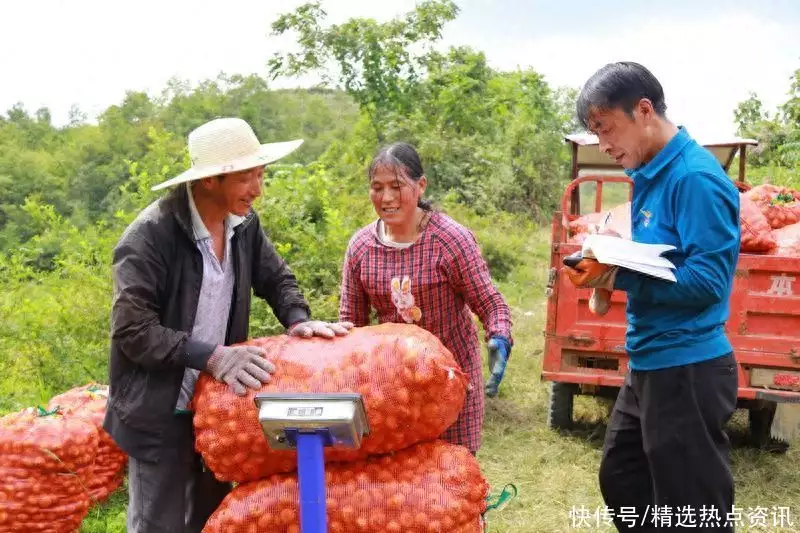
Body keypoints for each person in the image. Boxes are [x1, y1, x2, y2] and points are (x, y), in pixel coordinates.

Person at [104, 117, 352, 533]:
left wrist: (299, 320)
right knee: (158, 523)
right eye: (245, 177)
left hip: (213, 407)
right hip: (157, 408)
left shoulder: (243, 225)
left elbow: (276, 277)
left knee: (209, 518)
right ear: (209, 182)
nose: (257, 189)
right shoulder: (149, 238)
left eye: (260, 175)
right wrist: (214, 357)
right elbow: (132, 331)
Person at [564, 62, 740, 532]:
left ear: (643, 110)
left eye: (605, 128)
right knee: (623, 478)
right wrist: (604, 262)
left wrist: (616, 275)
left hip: (687, 367)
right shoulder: (649, 174)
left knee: (693, 511)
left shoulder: (695, 179)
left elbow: (708, 283)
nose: (603, 145)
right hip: (650, 361)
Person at [338, 142, 513, 455]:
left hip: (453, 382)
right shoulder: (361, 247)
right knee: (403, 486)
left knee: (451, 476)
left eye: (397, 186)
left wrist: (499, 336)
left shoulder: (449, 239)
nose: (386, 198)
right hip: (393, 387)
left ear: (420, 186)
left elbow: (490, 302)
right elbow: (351, 323)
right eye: (377, 188)